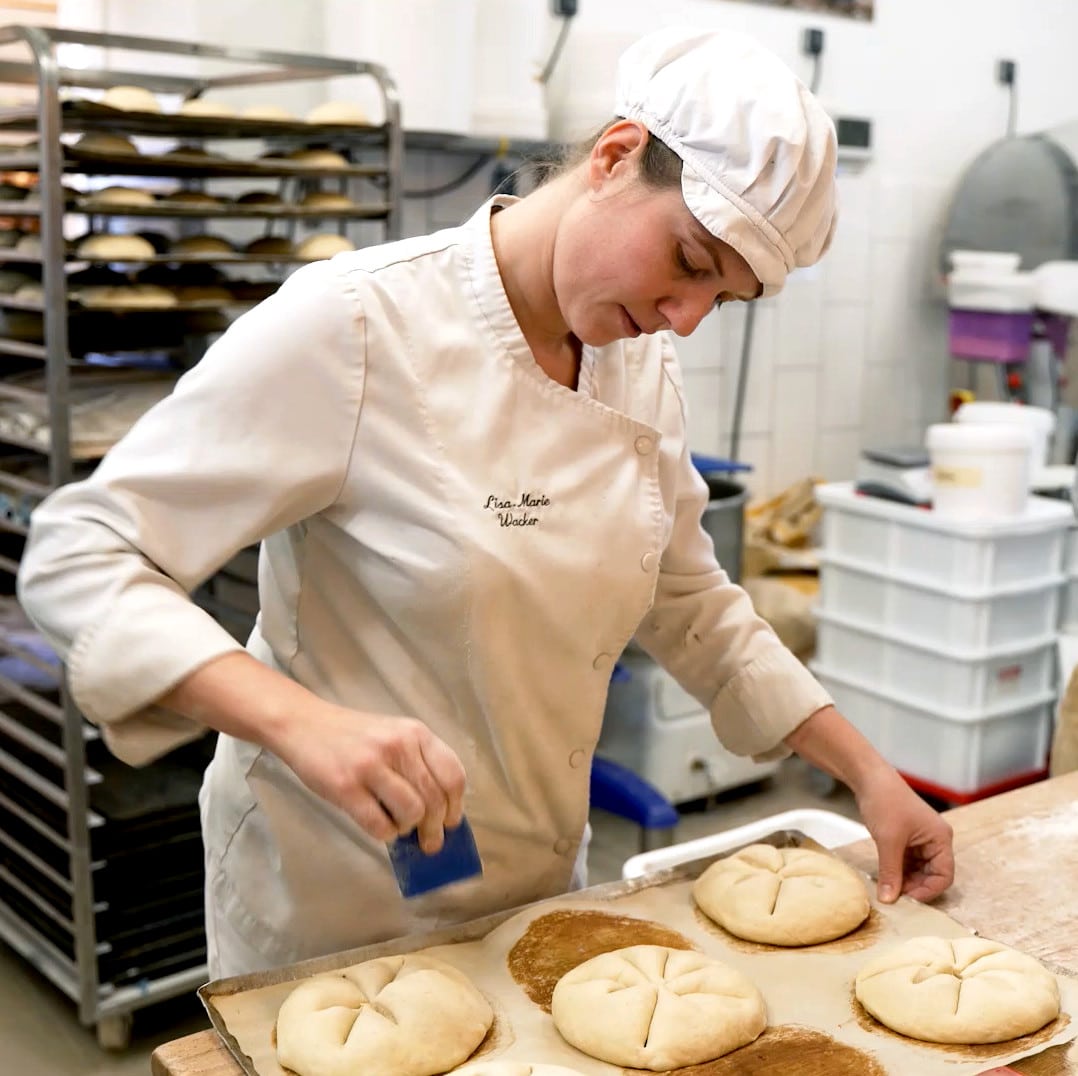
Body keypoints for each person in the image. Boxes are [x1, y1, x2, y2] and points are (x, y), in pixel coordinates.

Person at [17, 25, 953, 977]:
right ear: (616, 157)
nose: (686, 318)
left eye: (726, 297)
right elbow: (80, 554)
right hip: (336, 903)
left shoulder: (639, 358)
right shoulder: (360, 323)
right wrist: (298, 721)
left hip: (536, 883)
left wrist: (868, 775)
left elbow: (689, 598)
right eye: (688, 260)